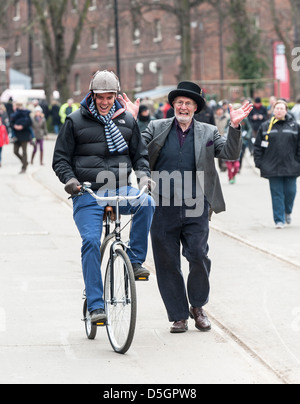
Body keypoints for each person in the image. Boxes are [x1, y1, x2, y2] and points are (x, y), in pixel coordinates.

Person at [142, 81, 253, 333]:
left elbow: (230, 154)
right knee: (166, 261)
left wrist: (234, 126)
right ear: (173, 105)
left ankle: (198, 306)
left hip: (196, 204)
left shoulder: (208, 131)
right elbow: (136, 149)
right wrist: (130, 119)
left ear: (195, 108)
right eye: (179, 102)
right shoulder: (156, 127)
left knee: (198, 255)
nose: (183, 107)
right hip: (162, 204)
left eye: (188, 103)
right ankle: (178, 315)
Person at [52, 70, 155, 323]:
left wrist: (143, 176)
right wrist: (71, 181)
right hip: (87, 192)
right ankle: (96, 305)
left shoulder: (127, 122)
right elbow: (60, 159)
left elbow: (139, 156)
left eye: (110, 97)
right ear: (92, 95)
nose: (105, 101)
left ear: (116, 96)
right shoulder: (75, 121)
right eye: (101, 97)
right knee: (90, 242)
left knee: (147, 202)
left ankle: (134, 259)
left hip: (120, 189)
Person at [254, 100, 300, 229]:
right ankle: (279, 220)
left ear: (286, 110)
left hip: (291, 166)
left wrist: (298, 161)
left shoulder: (294, 126)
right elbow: (258, 147)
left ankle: (287, 211)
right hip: (272, 167)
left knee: (291, 192)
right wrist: (260, 163)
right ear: (273, 110)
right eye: (277, 108)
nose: (279, 110)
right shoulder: (265, 126)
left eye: (282, 108)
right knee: (277, 194)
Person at [11, 101, 33, 174]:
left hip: (24, 135)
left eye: (14, 106)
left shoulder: (26, 113)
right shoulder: (14, 115)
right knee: (15, 151)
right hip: (16, 135)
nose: (13, 107)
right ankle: (25, 162)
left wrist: (22, 126)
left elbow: (29, 122)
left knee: (24, 152)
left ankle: (24, 167)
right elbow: (11, 123)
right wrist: (15, 126)